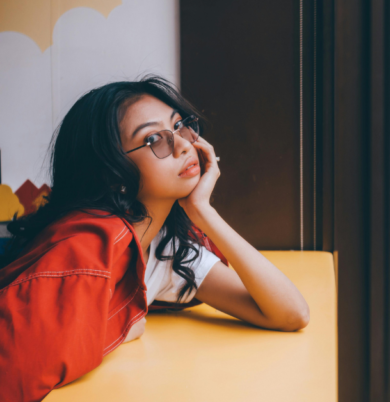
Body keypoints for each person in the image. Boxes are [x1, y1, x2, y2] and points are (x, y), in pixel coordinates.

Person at [0, 77, 310, 400]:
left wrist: (203, 212)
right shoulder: (92, 242)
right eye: (154, 140)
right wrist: (121, 326)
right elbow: (14, 370)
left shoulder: (164, 248)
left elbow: (292, 313)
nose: (183, 145)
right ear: (112, 172)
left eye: (180, 126)